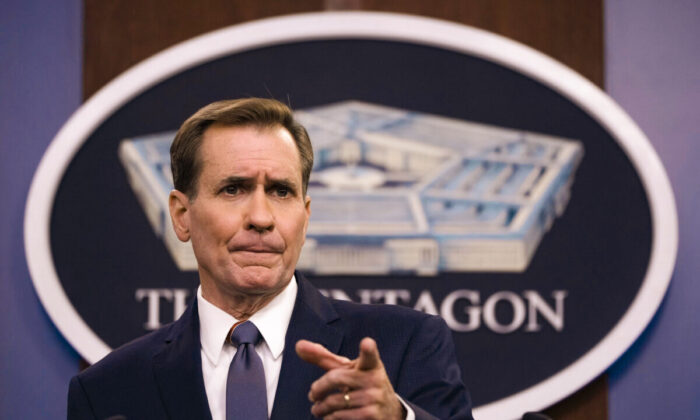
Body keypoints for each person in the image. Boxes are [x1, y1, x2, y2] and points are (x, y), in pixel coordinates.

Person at [67, 98, 473, 420]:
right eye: (233, 189)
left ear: (305, 214)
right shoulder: (108, 391)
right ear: (181, 215)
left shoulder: (405, 347)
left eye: (281, 191)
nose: (261, 218)